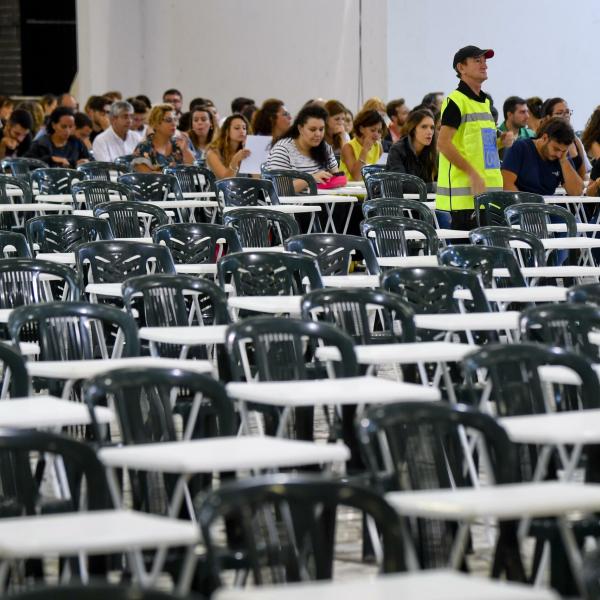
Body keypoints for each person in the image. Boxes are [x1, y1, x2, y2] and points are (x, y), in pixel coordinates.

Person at [435, 45, 503, 230]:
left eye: (485, 61)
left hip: (489, 195)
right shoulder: (455, 101)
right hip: (463, 202)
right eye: (477, 61)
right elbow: (443, 144)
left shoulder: (485, 101)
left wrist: (501, 142)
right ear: (461, 67)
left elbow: (479, 144)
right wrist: (472, 173)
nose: (484, 65)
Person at [501, 117, 583, 196]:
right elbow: (507, 184)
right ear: (544, 138)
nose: (559, 154)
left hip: (546, 207)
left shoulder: (562, 156)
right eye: (556, 149)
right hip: (521, 205)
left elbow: (577, 192)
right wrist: (526, 206)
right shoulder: (520, 148)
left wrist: (564, 160)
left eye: (564, 151)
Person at [266, 104, 338, 192]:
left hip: (324, 202)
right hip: (292, 204)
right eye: (312, 129)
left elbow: (336, 177)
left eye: (321, 129)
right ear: (300, 129)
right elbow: (281, 189)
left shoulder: (325, 148)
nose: (318, 134)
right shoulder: (282, 150)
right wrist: (311, 178)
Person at [131, 104, 195, 172]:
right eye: (168, 120)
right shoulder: (143, 147)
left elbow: (193, 170)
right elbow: (148, 177)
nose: (174, 124)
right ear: (155, 124)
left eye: (175, 119)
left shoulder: (178, 143)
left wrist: (185, 150)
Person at [386, 108, 437, 189]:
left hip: (421, 200)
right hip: (394, 200)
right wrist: (433, 187)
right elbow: (402, 184)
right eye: (424, 127)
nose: (429, 132)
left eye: (432, 128)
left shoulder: (431, 152)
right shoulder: (397, 150)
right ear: (413, 129)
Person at [24, 106, 89, 167]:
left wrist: (86, 162)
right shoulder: (40, 144)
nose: (67, 131)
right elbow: (25, 163)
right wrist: (50, 159)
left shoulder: (77, 143)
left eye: (71, 126)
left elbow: (90, 160)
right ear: (53, 125)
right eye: (63, 127)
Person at [541, 97, 588, 177]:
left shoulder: (576, 141)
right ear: (548, 117)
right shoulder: (542, 140)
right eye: (559, 113)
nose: (565, 116)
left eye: (567, 112)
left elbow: (583, 174)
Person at [340, 109, 385, 181]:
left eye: (379, 131)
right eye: (373, 130)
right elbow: (357, 177)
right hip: (349, 191)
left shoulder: (379, 147)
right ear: (361, 129)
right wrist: (365, 149)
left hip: (368, 190)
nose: (376, 134)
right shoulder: (348, 147)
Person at [205, 113, 251, 178]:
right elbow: (225, 180)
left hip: (245, 187)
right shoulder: (213, 152)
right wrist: (235, 160)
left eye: (244, 128)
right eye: (237, 128)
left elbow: (256, 179)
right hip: (219, 187)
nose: (242, 131)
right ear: (227, 131)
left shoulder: (246, 151)